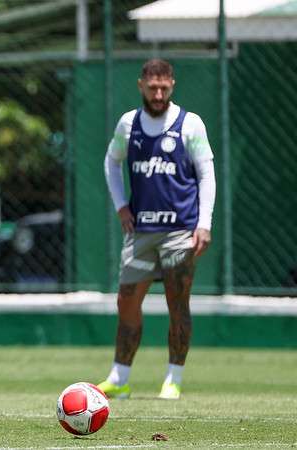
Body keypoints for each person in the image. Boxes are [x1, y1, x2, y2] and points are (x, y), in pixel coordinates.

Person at [96, 58, 216, 400]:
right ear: (141, 86)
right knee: (126, 302)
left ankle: (173, 378)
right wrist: (121, 206)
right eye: (152, 87)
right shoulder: (128, 124)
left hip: (181, 229)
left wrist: (203, 224)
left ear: (173, 86)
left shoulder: (189, 124)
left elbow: (206, 174)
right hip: (141, 231)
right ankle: (119, 378)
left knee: (178, 302)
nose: (159, 93)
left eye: (164, 87)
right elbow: (111, 162)